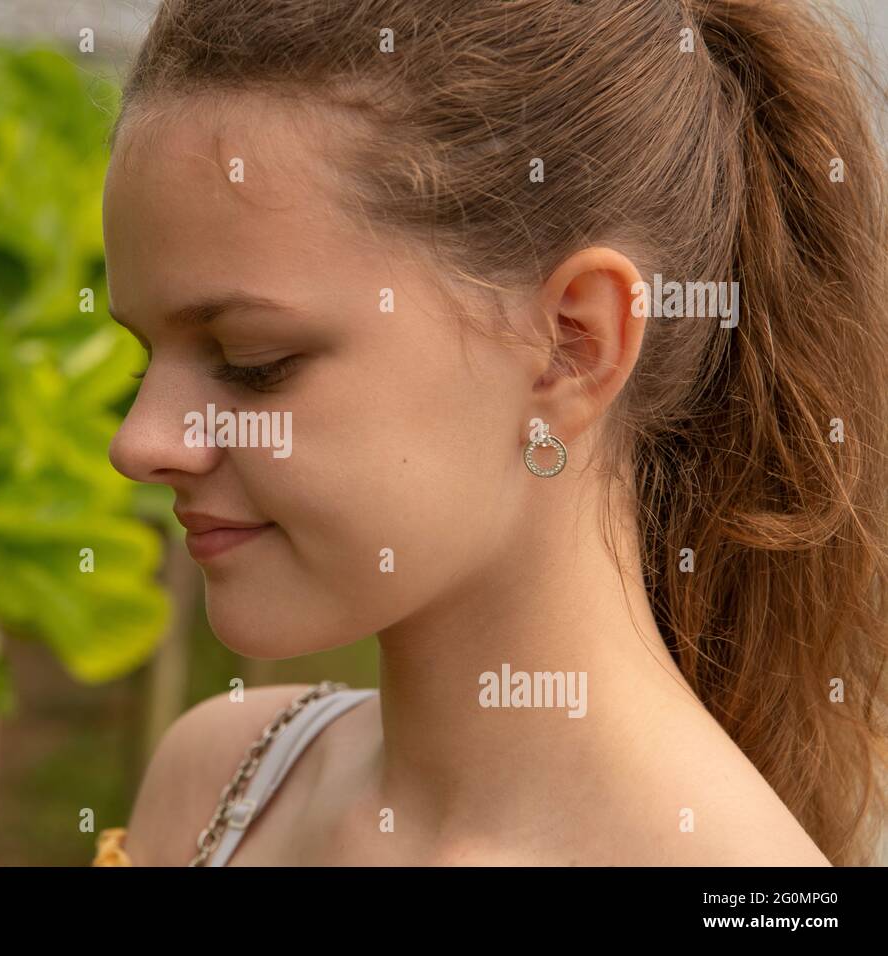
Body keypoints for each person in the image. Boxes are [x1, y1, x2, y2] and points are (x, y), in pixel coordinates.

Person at [93, 0, 888, 866]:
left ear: (572, 347)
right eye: (144, 358)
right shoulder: (223, 782)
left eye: (255, 360)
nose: (142, 441)